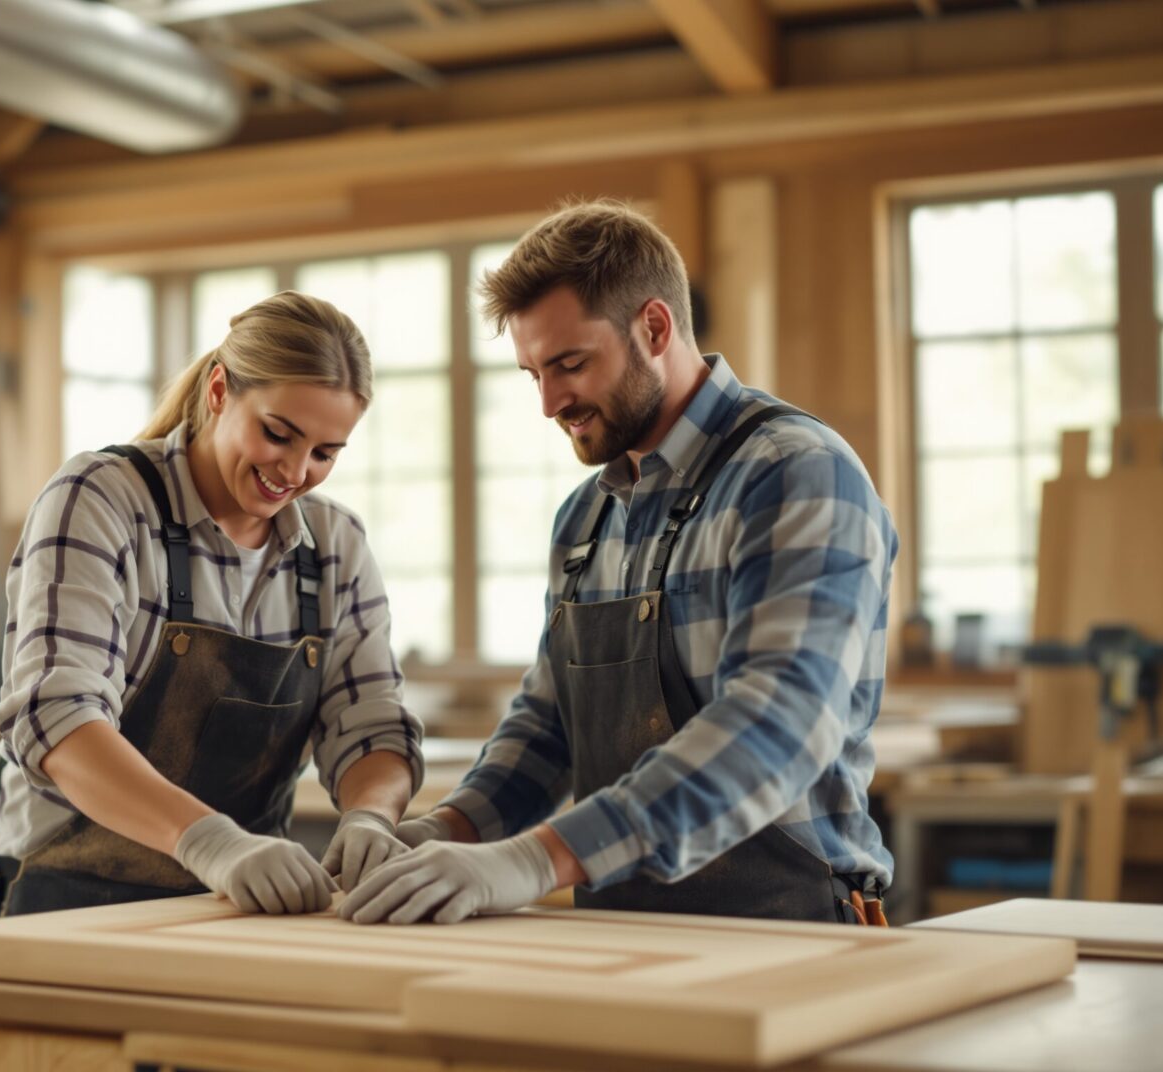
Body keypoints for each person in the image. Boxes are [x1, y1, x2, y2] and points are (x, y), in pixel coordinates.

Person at [340, 200, 897, 927]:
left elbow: (777, 727)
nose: (548, 403)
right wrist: (441, 834)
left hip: (789, 926)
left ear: (655, 328)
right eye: (532, 372)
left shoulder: (795, 473)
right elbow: (548, 730)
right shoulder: (587, 515)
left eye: (570, 364)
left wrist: (534, 860)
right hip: (623, 926)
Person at [0, 291, 423, 919]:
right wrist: (209, 841)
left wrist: (372, 814)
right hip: (62, 901)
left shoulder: (335, 545)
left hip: (230, 910)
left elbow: (369, 722)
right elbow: (59, 719)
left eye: (324, 453)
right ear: (217, 391)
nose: (293, 471)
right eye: (278, 434)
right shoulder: (102, 499)